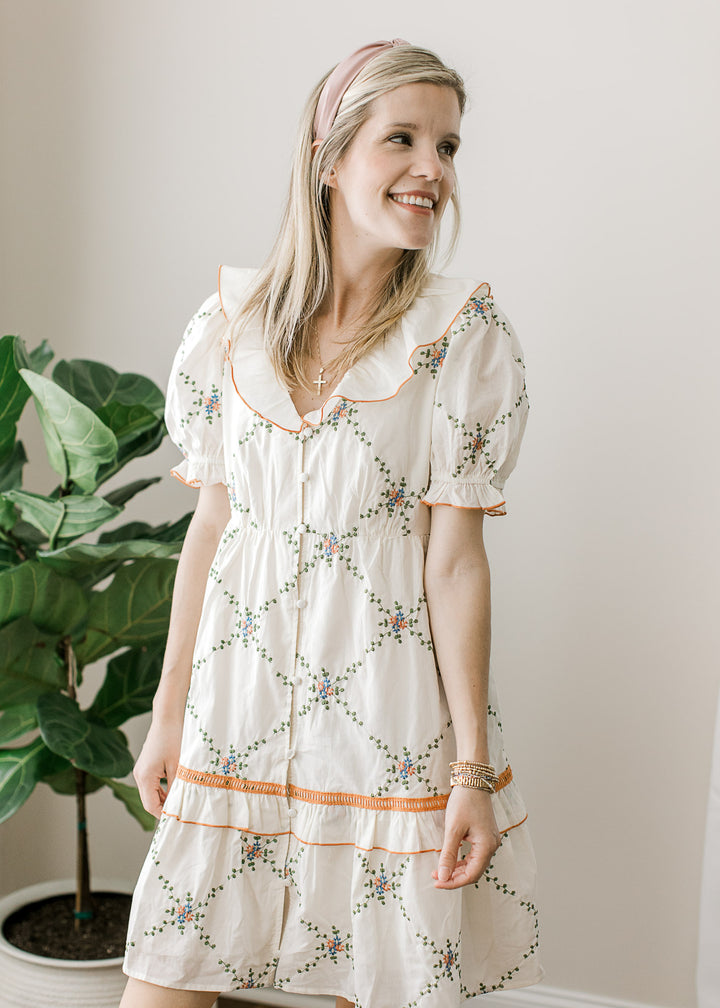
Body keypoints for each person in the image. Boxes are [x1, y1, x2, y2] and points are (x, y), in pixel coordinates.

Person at [120, 38, 543, 1008]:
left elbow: (455, 566)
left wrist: (470, 769)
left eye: (448, 146)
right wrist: (169, 714)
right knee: (162, 982)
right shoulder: (229, 329)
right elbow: (214, 532)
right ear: (330, 156)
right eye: (403, 139)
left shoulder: (460, 336)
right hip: (237, 712)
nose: (432, 169)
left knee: (379, 983)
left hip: (388, 721)